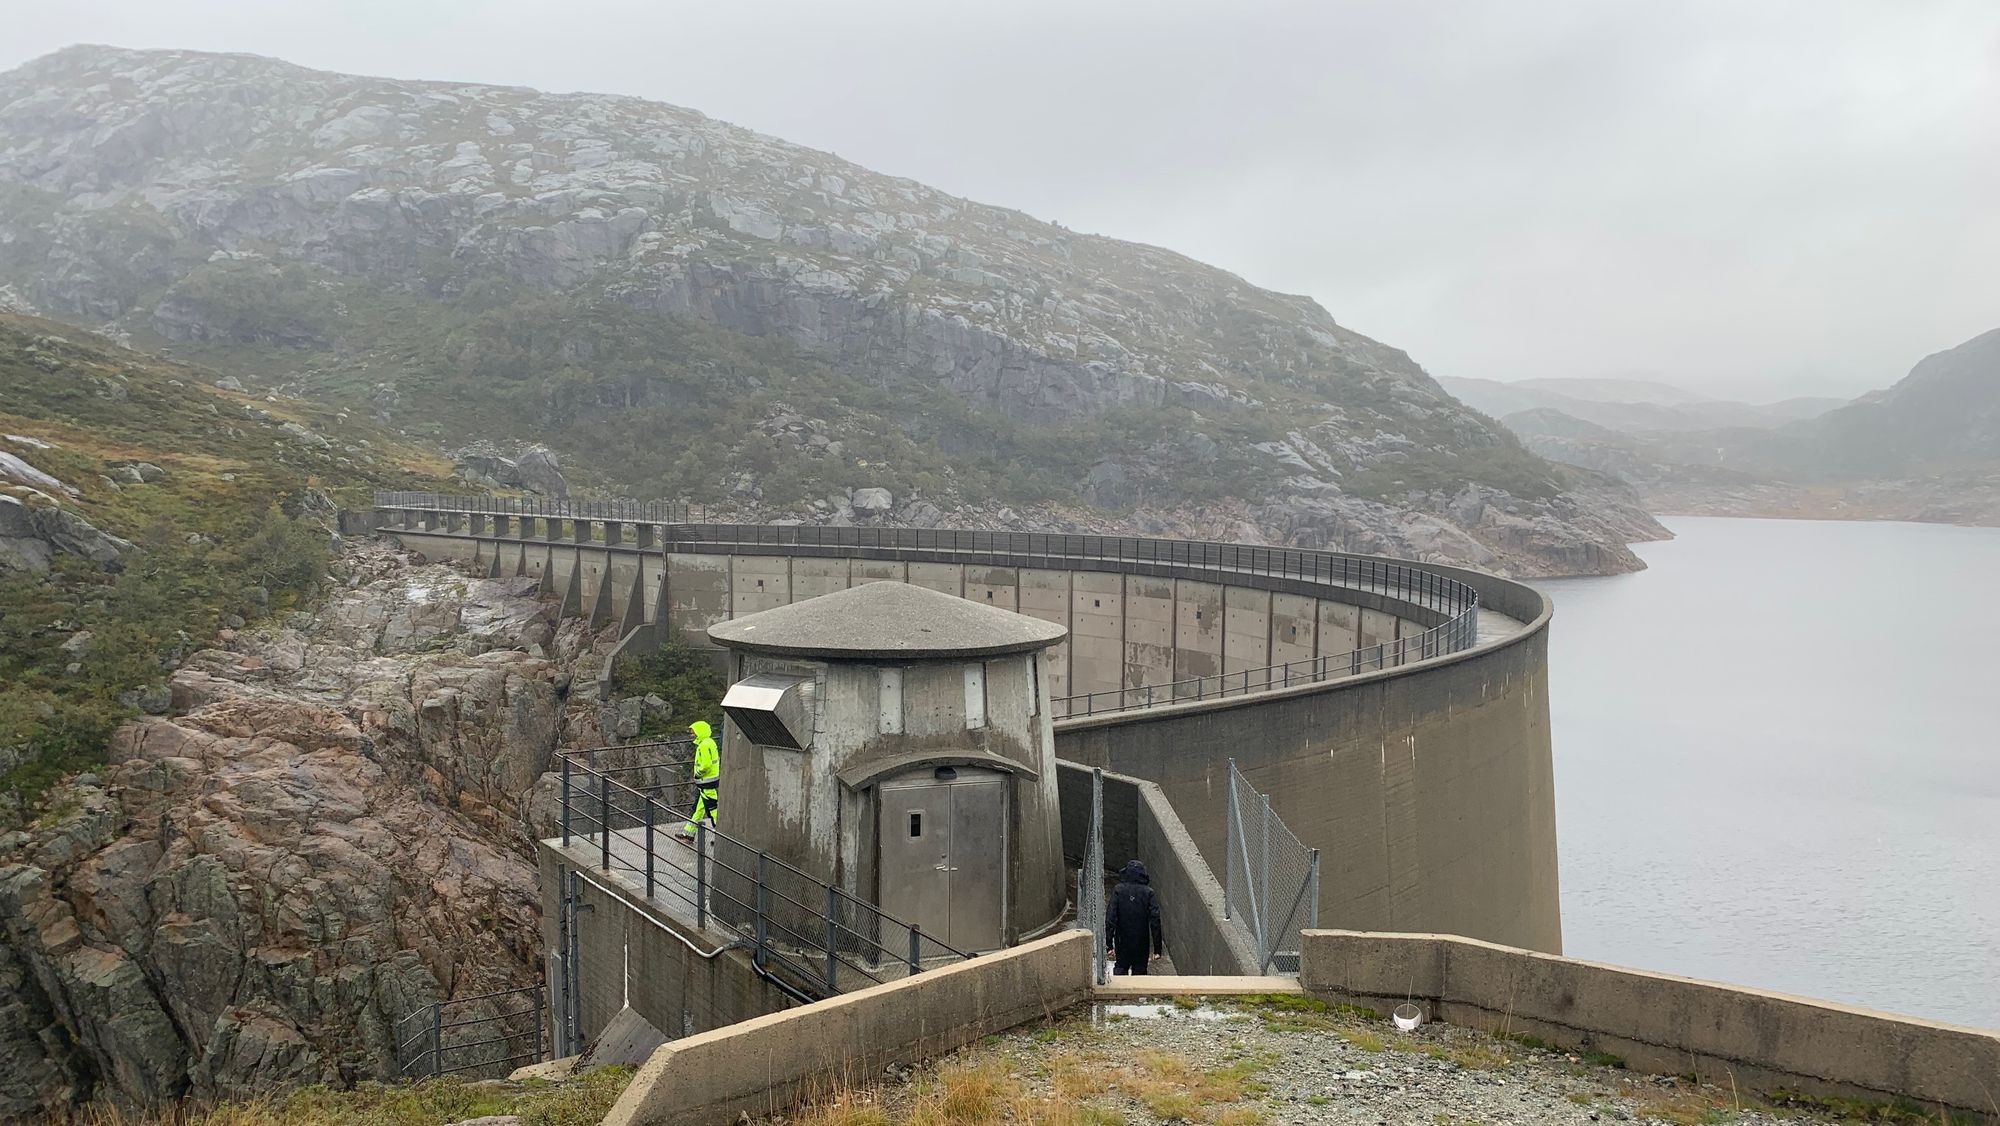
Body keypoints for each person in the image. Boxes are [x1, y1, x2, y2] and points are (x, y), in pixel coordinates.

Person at [1105, 859, 1164, 975]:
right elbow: (1155, 921)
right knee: (1140, 970)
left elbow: (1110, 918)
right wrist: (1157, 949)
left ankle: (1119, 992)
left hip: (1122, 939)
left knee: (1121, 967)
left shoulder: (1118, 890)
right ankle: (1139, 992)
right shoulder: (1148, 893)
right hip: (1141, 941)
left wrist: (1109, 944)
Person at [679, 719, 719, 842]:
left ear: (700, 732)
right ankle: (689, 833)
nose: (692, 734)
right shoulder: (710, 742)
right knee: (699, 808)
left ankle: (721, 837)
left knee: (712, 809)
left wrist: (697, 774)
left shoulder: (703, 745)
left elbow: (706, 765)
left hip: (706, 781)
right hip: (709, 781)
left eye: (693, 732)